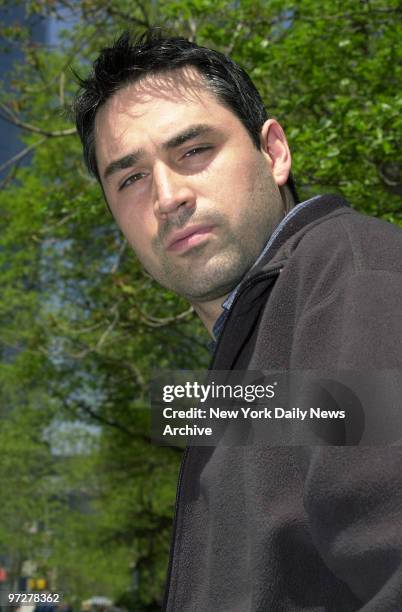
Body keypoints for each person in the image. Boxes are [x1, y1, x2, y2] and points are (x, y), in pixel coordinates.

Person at [73, 30, 402, 611]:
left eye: (194, 150)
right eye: (130, 178)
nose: (167, 196)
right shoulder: (243, 366)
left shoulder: (354, 277)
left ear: (274, 152)